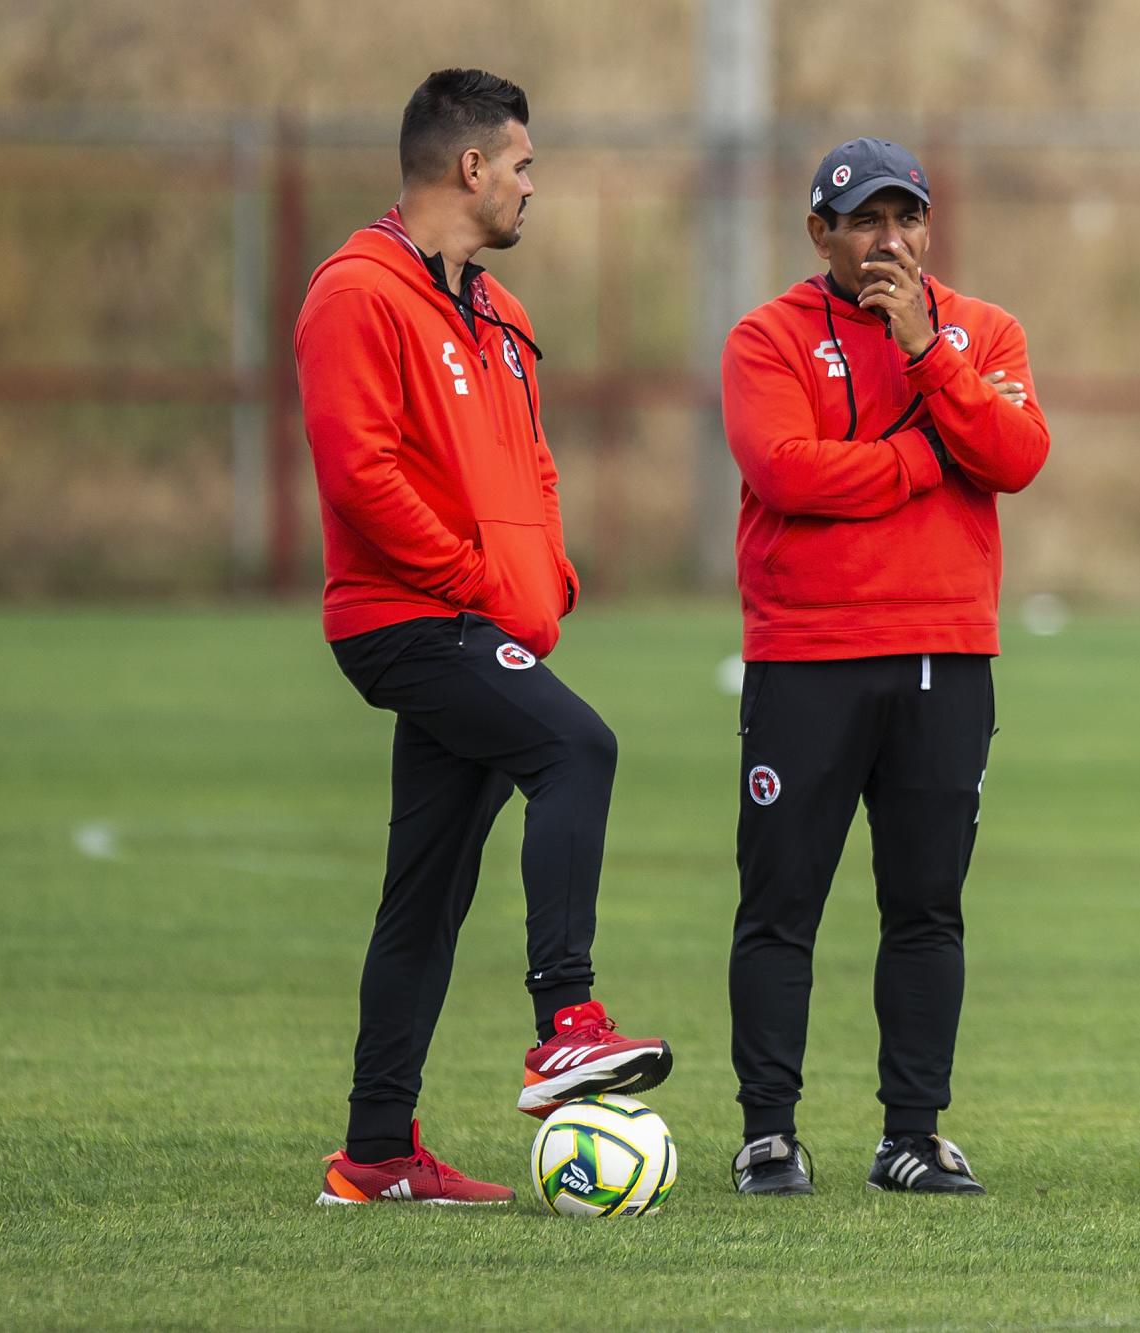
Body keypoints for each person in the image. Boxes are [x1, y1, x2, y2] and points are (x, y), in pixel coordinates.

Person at [294, 68, 670, 1207]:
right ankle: (565, 1022)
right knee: (576, 749)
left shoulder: (498, 310)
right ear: (469, 168)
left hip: (482, 617)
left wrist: (542, 573)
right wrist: (467, 574)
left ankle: (373, 1155)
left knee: (427, 891)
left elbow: (533, 464)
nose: (527, 187)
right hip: (407, 618)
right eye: (521, 166)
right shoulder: (355, 294)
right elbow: (358, 474)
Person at [720, 137, 1050, 1197]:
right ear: (820, 234)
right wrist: (919, 460)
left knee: (925, 905)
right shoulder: (766, 337)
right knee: (780, 904)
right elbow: (785, 471)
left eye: (904, 217)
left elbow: (1014, 455)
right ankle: (768, 1131)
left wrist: (925, 350)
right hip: (808, 656)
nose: (887, 240)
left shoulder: (982, 330)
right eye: (863, 220)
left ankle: (911, 1132)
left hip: (944, 657)